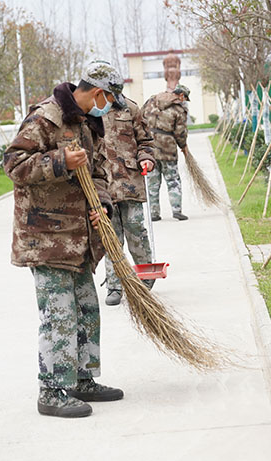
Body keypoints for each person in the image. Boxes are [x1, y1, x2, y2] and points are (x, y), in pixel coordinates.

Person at [3, 61, 126, 419]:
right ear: (98, 92)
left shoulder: (88, 123)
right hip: (45, 237)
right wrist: (59, 161)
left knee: (86, 309)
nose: (110, 107)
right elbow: (13, 164)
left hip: (78, 239)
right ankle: (52, 390)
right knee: (59, 316)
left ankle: (81, 379)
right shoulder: (46, 117)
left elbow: (98, 170)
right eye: (109, 99)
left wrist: (100, 204)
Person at [102, 97, 156, 306]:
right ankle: (115, 285)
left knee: (135, 228)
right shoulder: (90, 111)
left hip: (130, 181)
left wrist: (147, 158)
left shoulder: (130, 108)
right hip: (103, 184)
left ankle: (145, 277)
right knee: (111, 235)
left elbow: (146, 142)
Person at [142, 84, 191, 221]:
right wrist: (184, 146)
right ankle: (176, 210)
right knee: (173, 180)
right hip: (168, 149)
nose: (184, 101)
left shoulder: (152, 100)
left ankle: (154, 213)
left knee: (153, 182)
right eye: (185, 98)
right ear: (181, 95)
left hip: (150, 146)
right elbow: (180, 132)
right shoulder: (179, 109)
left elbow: (140, 118)